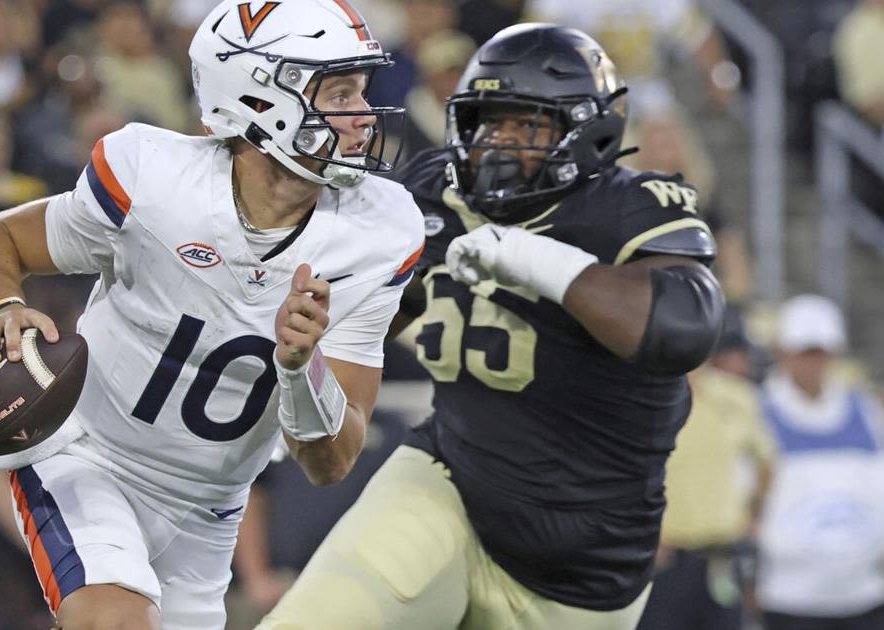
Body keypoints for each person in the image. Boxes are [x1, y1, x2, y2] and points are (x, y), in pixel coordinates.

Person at [0, 1, 424, 628]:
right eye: (338, 92)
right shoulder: (151, 176)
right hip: (88, 458)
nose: (363, 116)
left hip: (210, 514)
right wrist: (4, 307)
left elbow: (331, 462)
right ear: (259, 99)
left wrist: (300, 370)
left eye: (360, 91)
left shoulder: (381, 230)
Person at [260, 23, 725, 629]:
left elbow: (683, 330)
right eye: (488, 122)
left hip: (582, 565)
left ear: (592, 131)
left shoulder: (630, 206)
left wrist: (541, 261)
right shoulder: (439, 194)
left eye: (527, 126)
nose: (499, 144)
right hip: (447, 485)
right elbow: (365, 323)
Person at [635, 308, 775, 630]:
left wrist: (753, 519)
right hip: (664, 560)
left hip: (722, 559)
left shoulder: (737, 395)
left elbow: (768, 462)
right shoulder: (644, 395)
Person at [756, 295, 884, 630]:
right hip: (788, 595)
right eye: (804, 353)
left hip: (864, 592)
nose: (812, 364)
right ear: (782, 352)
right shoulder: (757, 411)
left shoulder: (866, 409)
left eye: (821, 353)